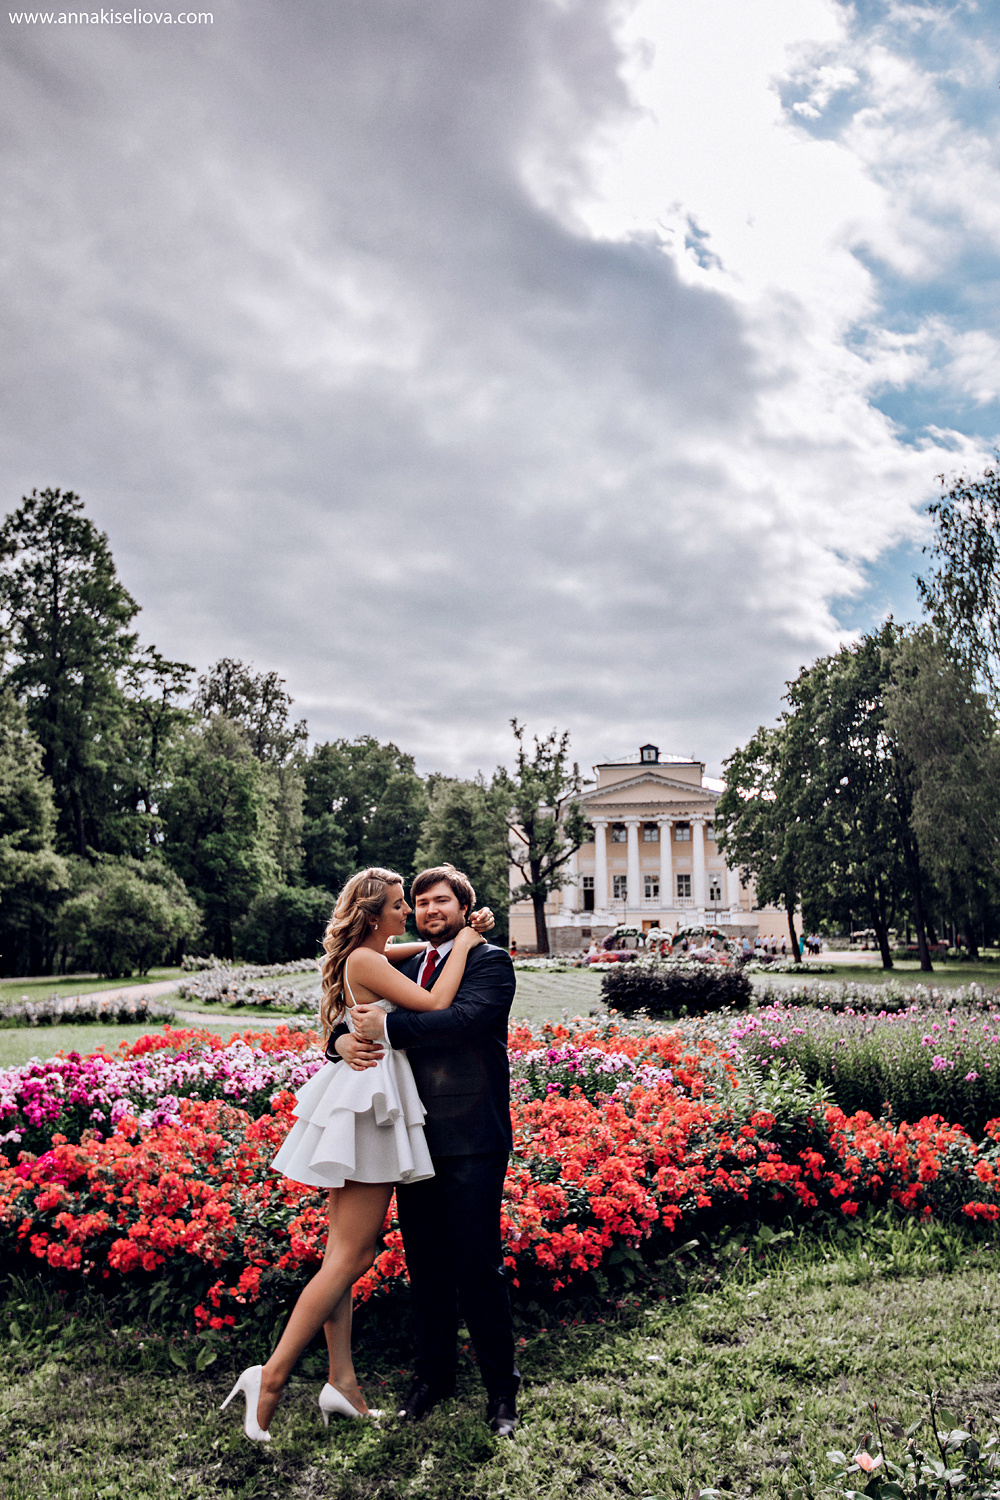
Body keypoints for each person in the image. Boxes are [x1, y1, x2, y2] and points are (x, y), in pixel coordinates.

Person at [220, 867, 489, 1443]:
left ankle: (341, 1382)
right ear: (374, 916)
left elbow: (417, 946)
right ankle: (269, 1378)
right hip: (371, 1105)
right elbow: (436, 1001)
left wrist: (457, 930)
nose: (409, 915)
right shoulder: (369, 961)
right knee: (352, 1256)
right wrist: (466, 940)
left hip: (359, 1093)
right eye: (399, 906)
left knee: (338, 1254)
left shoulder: (372, 953)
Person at [342, 863, 520, 1439]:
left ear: (465, 909)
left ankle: (501, 1392)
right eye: (420, 904)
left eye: (442, 902)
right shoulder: (406, 964)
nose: (430, 911)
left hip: (472, 1137)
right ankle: (433, 1378)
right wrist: (342, 1038)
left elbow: (460, 1021)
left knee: (479, 1268)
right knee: (426, 1267)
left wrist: (384, 1031)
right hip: (412, 1138)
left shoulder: (491, 962)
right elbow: (356, 1006)